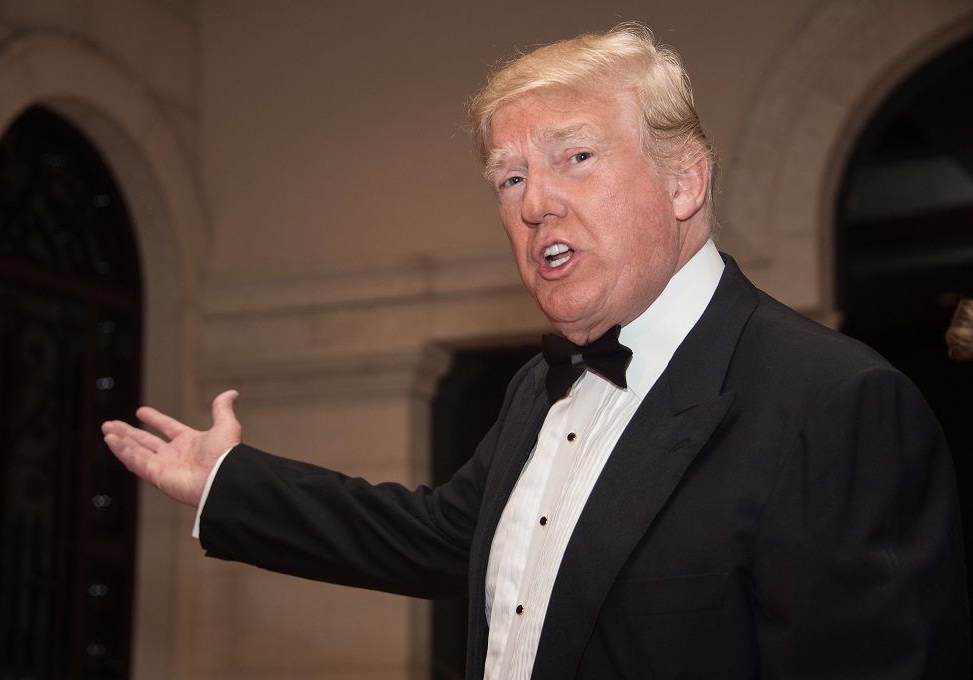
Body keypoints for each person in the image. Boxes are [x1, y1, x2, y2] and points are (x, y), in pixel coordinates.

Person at [102, 23, 970, 679]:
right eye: (511, 178)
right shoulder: (539, 388)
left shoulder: (836, 403)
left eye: (576, 157)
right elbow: (440, 535)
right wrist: (227, 481)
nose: (534, 204)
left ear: (684, 181)